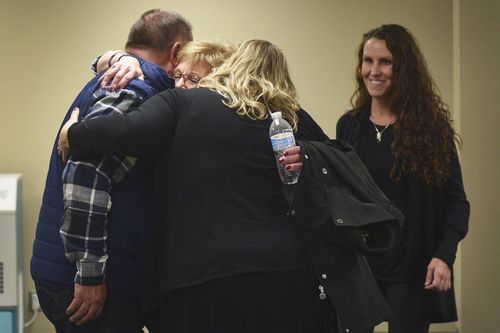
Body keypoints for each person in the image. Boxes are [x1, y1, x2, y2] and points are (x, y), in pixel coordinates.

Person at [58, 39, 346, 333]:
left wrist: (74, 133)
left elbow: (127, 131)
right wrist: (306, 158)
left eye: (193, 78)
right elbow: (341, 159)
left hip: (203, 273)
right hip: (289, 269)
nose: (182, 83)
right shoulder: (288, 117)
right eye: (179, 76)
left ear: (224, 71)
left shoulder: (182, 103)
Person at [30, 9, 192, 332]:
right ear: (175, 52)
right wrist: (89, 273)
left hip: (73, 273)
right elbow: (85, 175)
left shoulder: (117, 79)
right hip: (87, 284)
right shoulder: (134, 90)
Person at [336, 24, 470, 333]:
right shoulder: (349, 126)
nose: (374, 71)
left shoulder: (431, 129)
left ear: (403, 68)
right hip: (360, 267)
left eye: (385, 62)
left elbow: (457, 202)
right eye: (368, 61)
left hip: (409, 268)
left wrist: (444, 256)